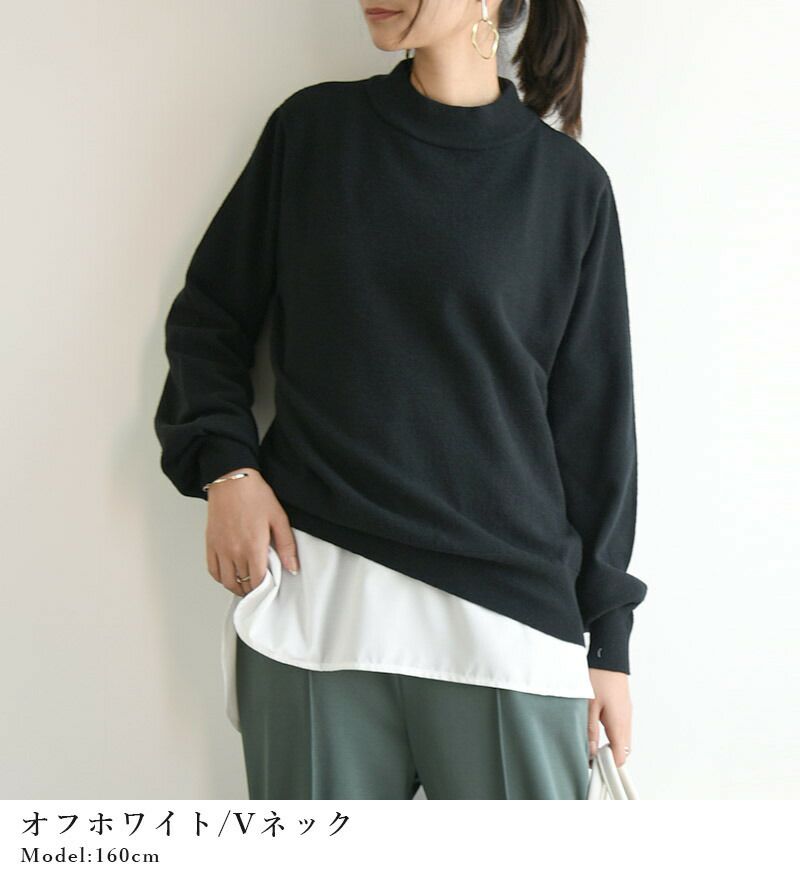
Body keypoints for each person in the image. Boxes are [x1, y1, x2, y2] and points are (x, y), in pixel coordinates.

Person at [154, 0, 648, 800]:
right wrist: (226, 470)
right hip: (318, 600)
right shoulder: (314, 134)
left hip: (509, 625)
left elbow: (597, 438)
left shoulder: (568, 187)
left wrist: (609, 644)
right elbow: (210, 319)